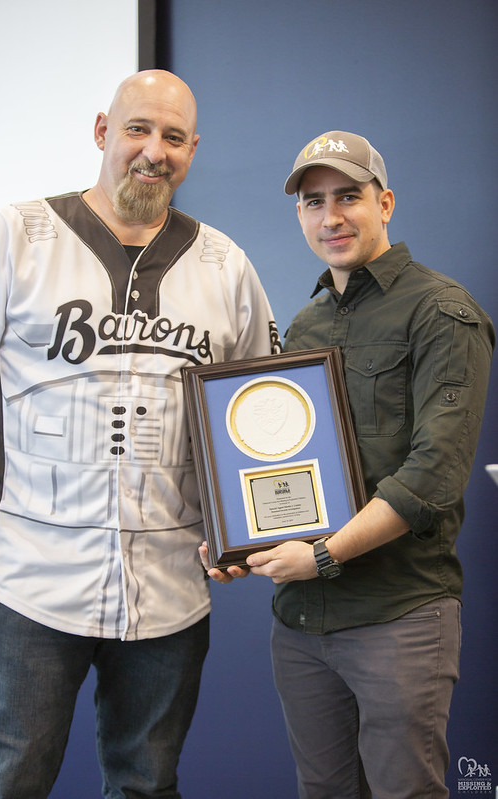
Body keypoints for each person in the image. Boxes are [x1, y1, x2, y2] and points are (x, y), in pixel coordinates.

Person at [0, 70, 280, 799]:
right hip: (31, 586)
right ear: (103, 131)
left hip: (169, 595)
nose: (153, 150)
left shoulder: (224, 266)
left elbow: (263, 420)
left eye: (173, 137)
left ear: (192, 150)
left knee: (146, 785)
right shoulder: (17, 237)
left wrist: (245, 529)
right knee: (2, 782)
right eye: (137, 129)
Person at [202, 130, 495, 798]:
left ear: (384, 202)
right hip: (302, 625)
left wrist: (324, 553)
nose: (330, 217)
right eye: (312, 202)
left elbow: (434, 475)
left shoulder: (440, 312)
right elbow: (280, 468)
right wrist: (234, 538)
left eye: (348, 197)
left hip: (398, 618)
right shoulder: (304, 326)